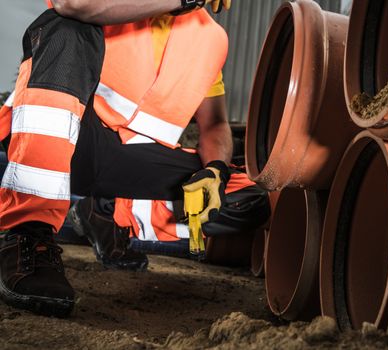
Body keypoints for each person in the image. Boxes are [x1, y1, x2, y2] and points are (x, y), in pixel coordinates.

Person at [0, 0, 269, 317]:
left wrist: (214, 170)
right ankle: (26, 235)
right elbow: (71, 4)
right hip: (63, 136)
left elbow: (214, 124)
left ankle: (108, 214)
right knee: (65, 28)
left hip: (127, 159)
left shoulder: (210, 39)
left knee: (246, 198)